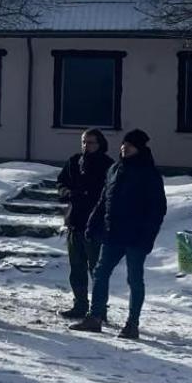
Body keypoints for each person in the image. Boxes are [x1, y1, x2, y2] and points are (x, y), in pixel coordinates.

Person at [70, 128, 167, 340]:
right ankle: (95, 317)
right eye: (124, 144)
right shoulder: (115, 169)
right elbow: (104, 200)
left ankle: (132, 324)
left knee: (134, 279)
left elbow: (157, 209)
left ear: (139, 149)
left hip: (136, 236)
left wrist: (147, 236)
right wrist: (93, 223)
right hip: (112, 233)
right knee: (100, 272)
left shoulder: (149, 174)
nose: (124, 148)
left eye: (130, 145)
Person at [55, 128, 111, 319]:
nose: (87, 146)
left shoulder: (108, 165)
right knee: (76, 269)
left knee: (97, 270)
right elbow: (61, 182)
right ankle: (79, 305)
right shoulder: (74, 161)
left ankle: (99, 310)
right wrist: (67, 193)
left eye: (91, 142)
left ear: (100, 143)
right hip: (75, 222)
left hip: (95, 226)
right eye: (84, 142)